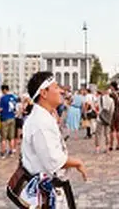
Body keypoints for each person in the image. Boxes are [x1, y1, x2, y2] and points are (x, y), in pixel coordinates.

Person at [21, 71, 87, 207]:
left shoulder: (43, 117)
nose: (61, 91)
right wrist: (77, 163)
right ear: (44, 93)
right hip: (48, 192)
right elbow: (54, 160)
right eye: (56, 87)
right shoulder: (41, 122)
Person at [0, 85, 17, 159]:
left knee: (3, 138)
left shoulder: (3, 98)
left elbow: (0, 109)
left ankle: (3, 153)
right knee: (11, 137)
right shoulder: (13, 97)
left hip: (5, 118)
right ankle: (12, 151)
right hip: (12, 118)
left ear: (4, 90)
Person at [95, 88, 114, 153]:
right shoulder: (111, 100)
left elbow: (96, 107)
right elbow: (112, 110)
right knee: (107, 134)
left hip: (100, 117)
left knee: (98, 133)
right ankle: (107, 148)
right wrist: (109, 118)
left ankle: (97, 148)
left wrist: (98, 112)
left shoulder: (99, 98)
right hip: (107, 118)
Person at [109, 82, 119, 151]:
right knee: (118, 130)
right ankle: (118, 145)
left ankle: (111, 145)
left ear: (112, 87)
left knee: (111, 130)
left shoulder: (111, 94)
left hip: (112, 113)